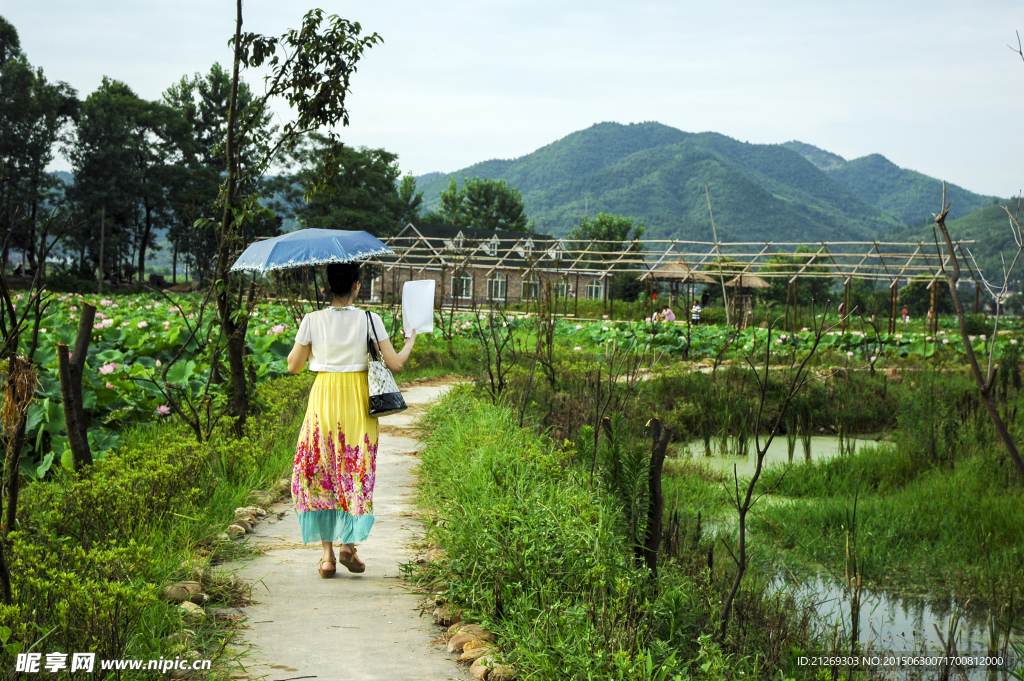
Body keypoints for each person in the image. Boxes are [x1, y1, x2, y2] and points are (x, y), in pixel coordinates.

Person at [287, 263, 417, 578]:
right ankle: (349, 544)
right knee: (354, 468)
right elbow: (395, 364)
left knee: (322, 471)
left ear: (328, 286)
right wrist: (410, 339)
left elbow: (293, 365)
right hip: (358, 400)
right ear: (357, 286)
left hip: (324, 399)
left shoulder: (311, 320)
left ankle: (328, 557)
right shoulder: (370, 319)